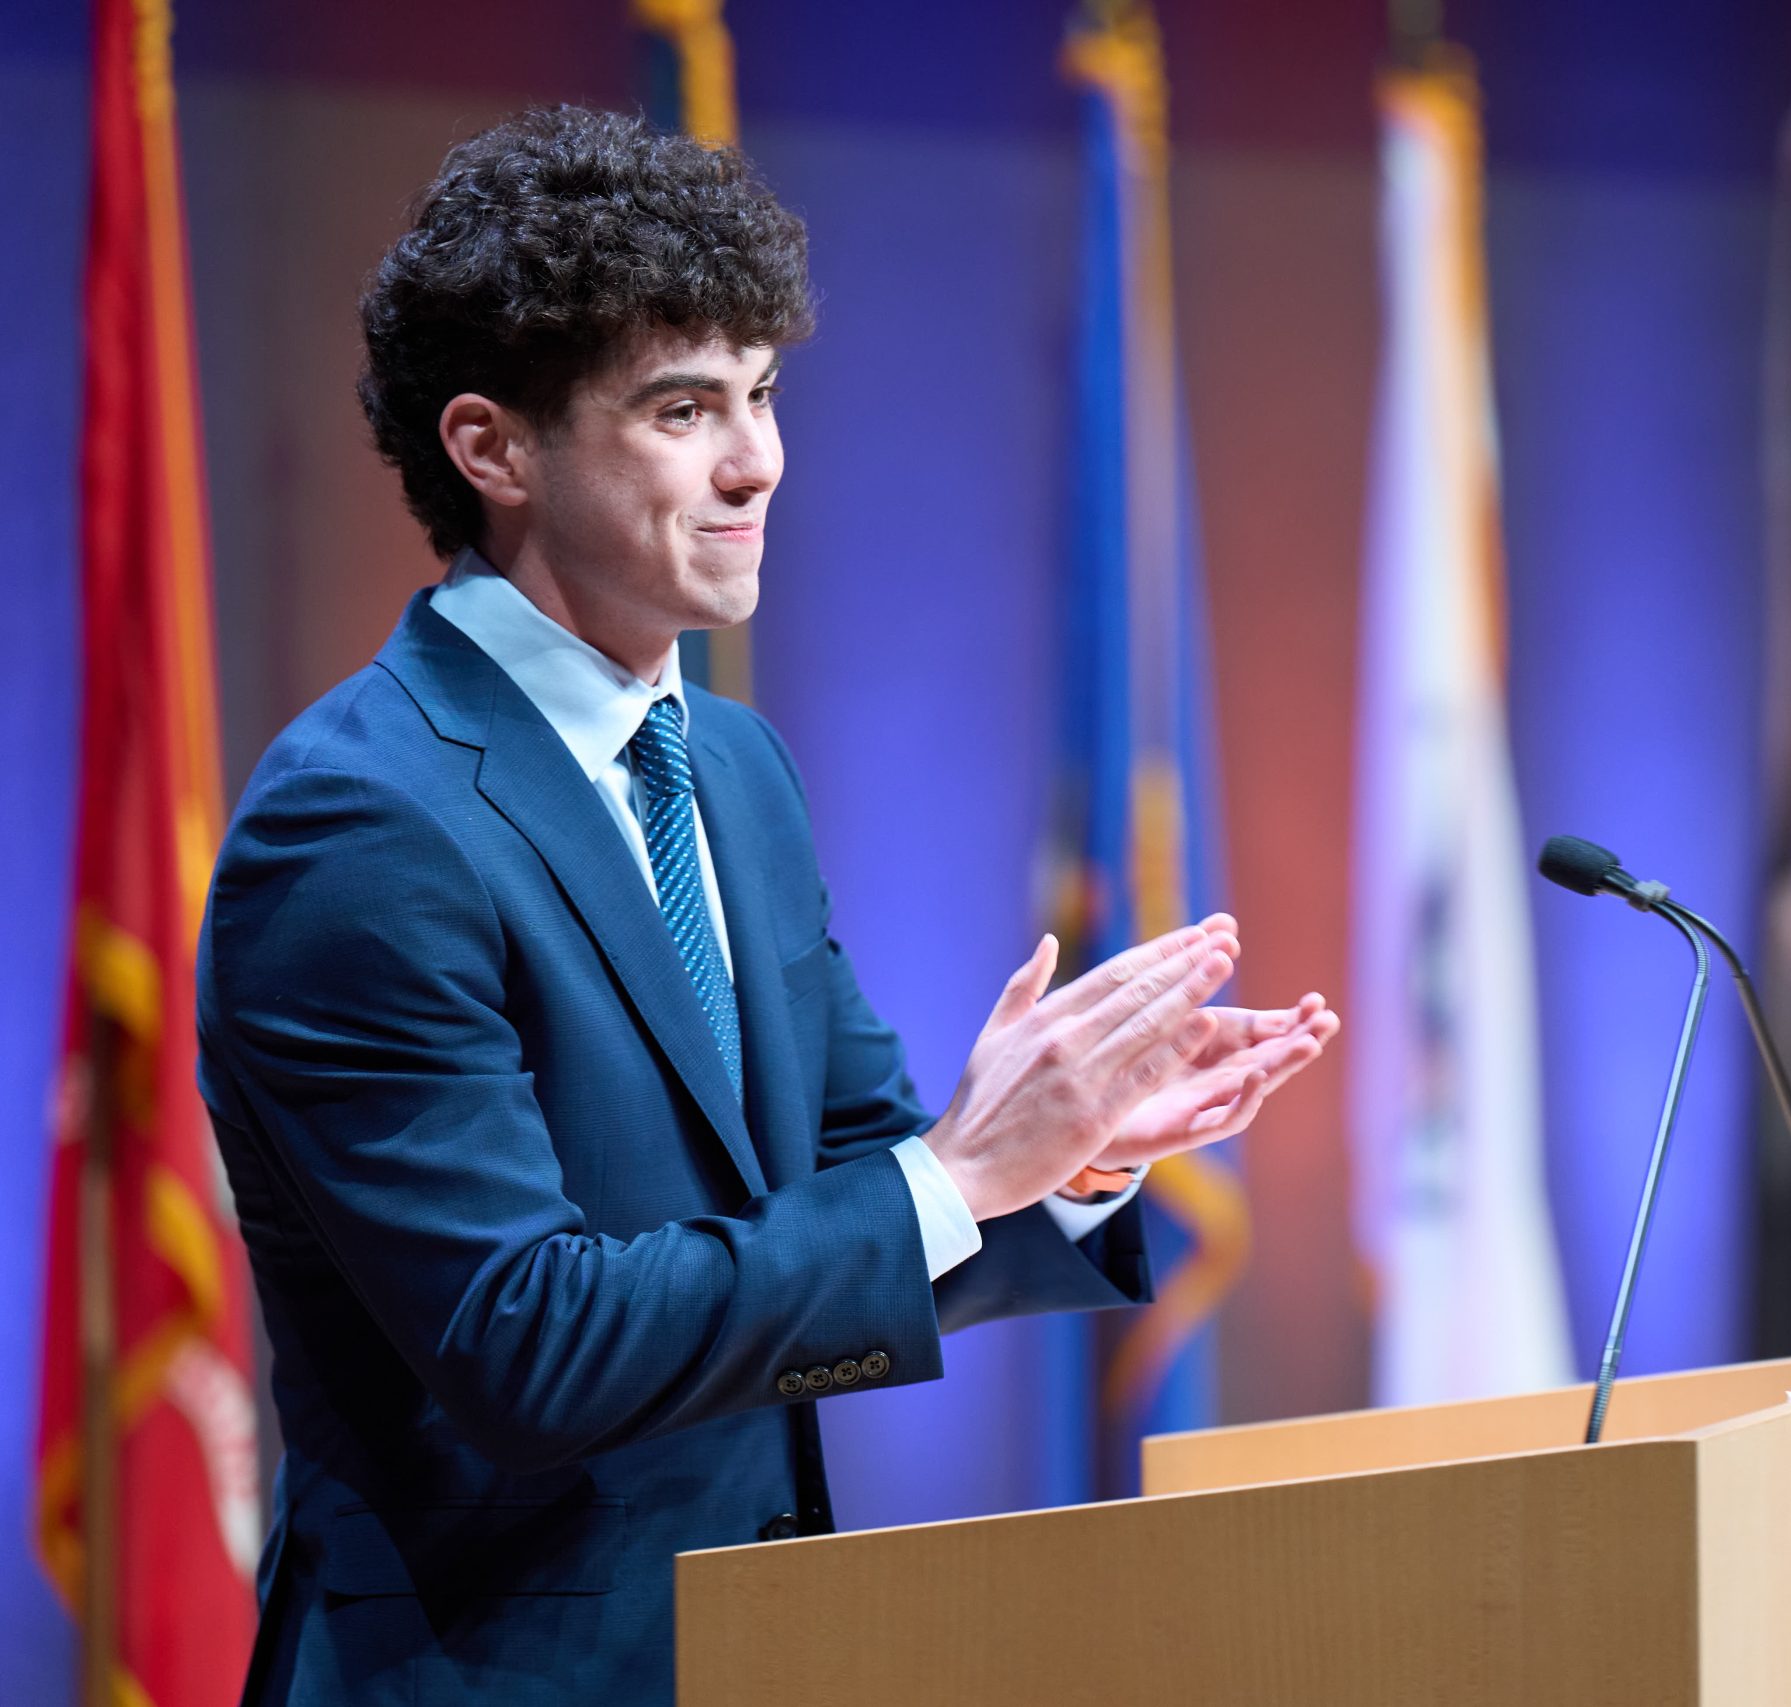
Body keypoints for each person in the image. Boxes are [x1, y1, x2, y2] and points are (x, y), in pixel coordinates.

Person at [196, 104, 1338, 1706]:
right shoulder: (362, 824)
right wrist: (959, 1172)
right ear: (493, 448)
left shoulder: (731, 768)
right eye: (683, 408)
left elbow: (850, 1203)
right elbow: (530, 1346)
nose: (758, 462)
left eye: (762, 394)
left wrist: (1071, 1155)